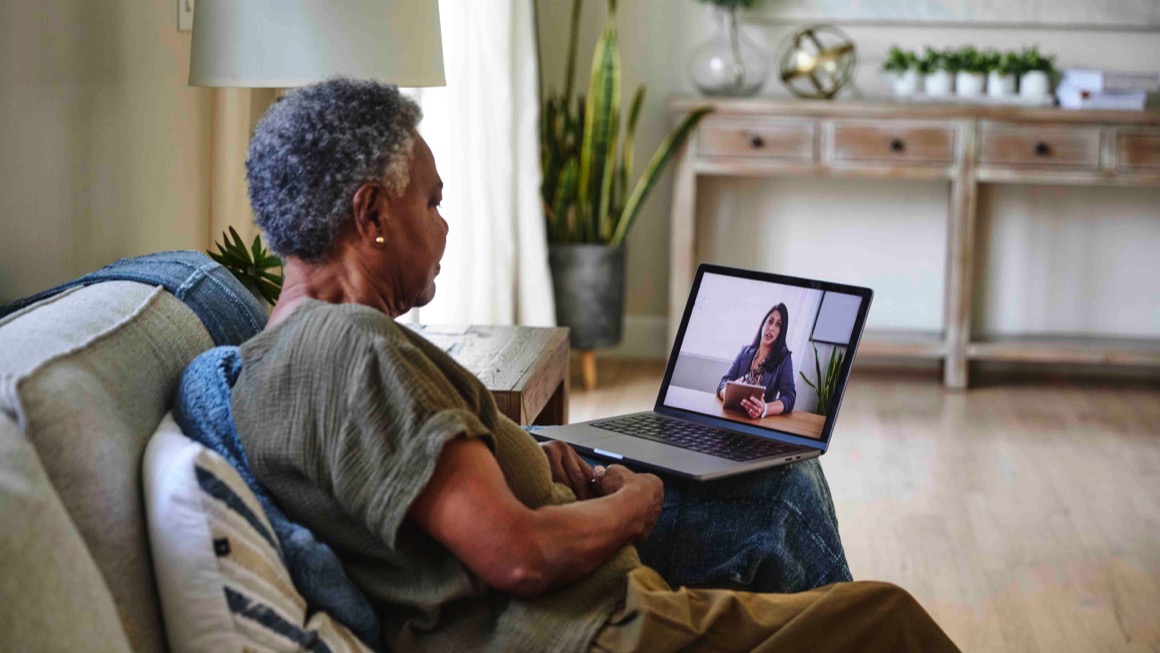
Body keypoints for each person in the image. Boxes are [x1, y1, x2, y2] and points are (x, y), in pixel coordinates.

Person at [229, 78, 959, 653]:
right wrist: (634, 502)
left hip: (580, 608)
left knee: (778, 487)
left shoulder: (274, 354)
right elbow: (517, 556)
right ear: (373, 216)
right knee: (883, 615)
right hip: (589, 630)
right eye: (433, 200)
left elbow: (422, 488)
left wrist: (538, 454)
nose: (444, 223)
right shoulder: (354, 348)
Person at [718, 303, 797, 420]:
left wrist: (765, 408)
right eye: (770, 321)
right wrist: (730, 394)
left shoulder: (784, 359)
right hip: (732, 416)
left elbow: (789, 397)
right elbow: (723, 382)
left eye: (778, 325)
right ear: (763, 324)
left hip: (758, 422)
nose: (771, 328)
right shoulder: (745, 351)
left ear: (781, 332)